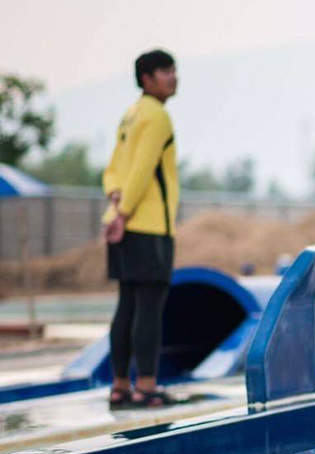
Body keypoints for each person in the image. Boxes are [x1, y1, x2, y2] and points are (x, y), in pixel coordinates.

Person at [101, 49, 181, 408]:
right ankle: (146, 387)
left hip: (121, 220)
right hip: (147, 225)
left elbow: (113, 169)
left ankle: (120, 386)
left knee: (127, 305)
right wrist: (127, 212)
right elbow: (144, 168)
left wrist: (115, 204)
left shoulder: (130, 115)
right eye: (165, 71)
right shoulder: (156, 115)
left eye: (174, 70)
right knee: (148, 307)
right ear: (147, 79)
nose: (173, 77)